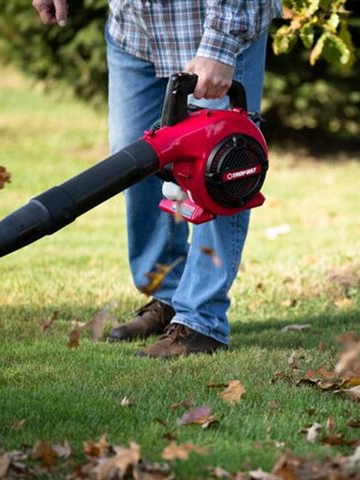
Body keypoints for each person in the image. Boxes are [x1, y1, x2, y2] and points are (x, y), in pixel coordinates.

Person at [33, 0, 281, 358]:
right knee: (135, 160)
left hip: (213, 28)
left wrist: (220, 45)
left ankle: (200, 321)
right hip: (136, 30)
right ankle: (168, 295)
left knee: (221, 171)